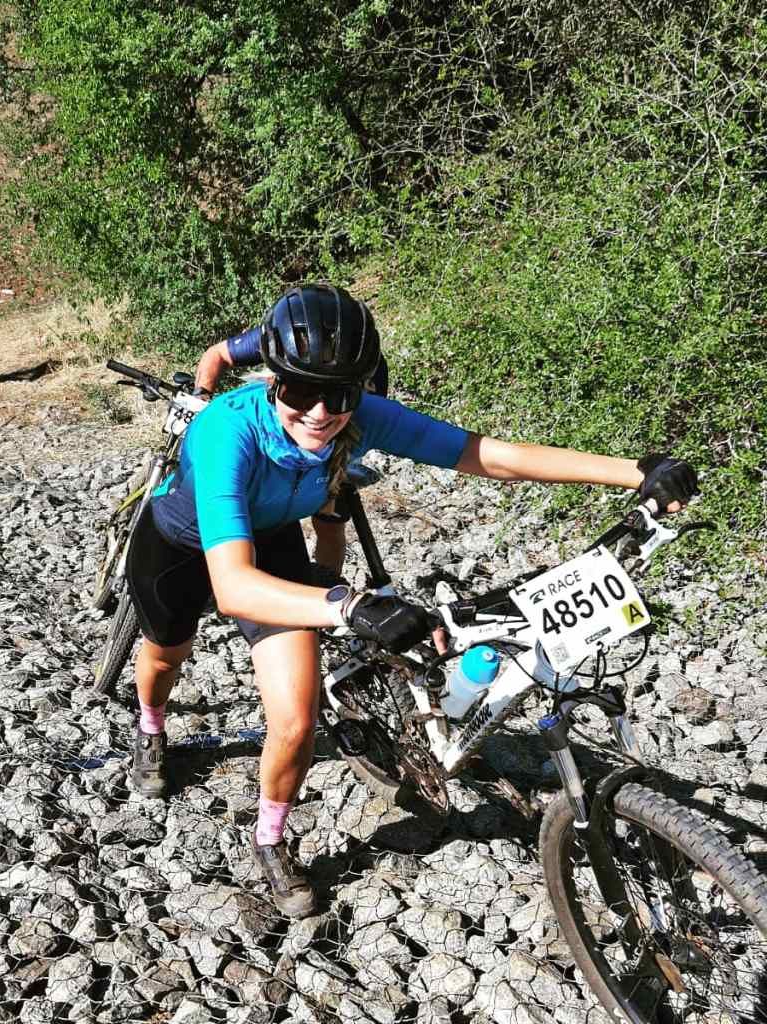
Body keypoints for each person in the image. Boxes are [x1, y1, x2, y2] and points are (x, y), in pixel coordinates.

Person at [124, 282, 697, 918]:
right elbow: (231, 586)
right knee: (167, 654)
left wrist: (635, 471)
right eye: (300, 392)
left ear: (360, 389)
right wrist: (347, 608)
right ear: (271, 381)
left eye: (338, 394)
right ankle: (151, 727)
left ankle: (270, 838)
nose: (319, 412)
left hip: (271, 537)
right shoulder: (224, 431)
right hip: (179, 540)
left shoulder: (363, 415)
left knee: (295, 720)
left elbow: (488, 456)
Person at [194, 324, 390, 578]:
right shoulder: (283, 332)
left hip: (340, 437)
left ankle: (322, 591)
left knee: (330, 522)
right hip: (289, 431)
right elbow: (217, 354)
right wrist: (201, 398)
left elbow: (371, 415)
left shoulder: (363, 353)